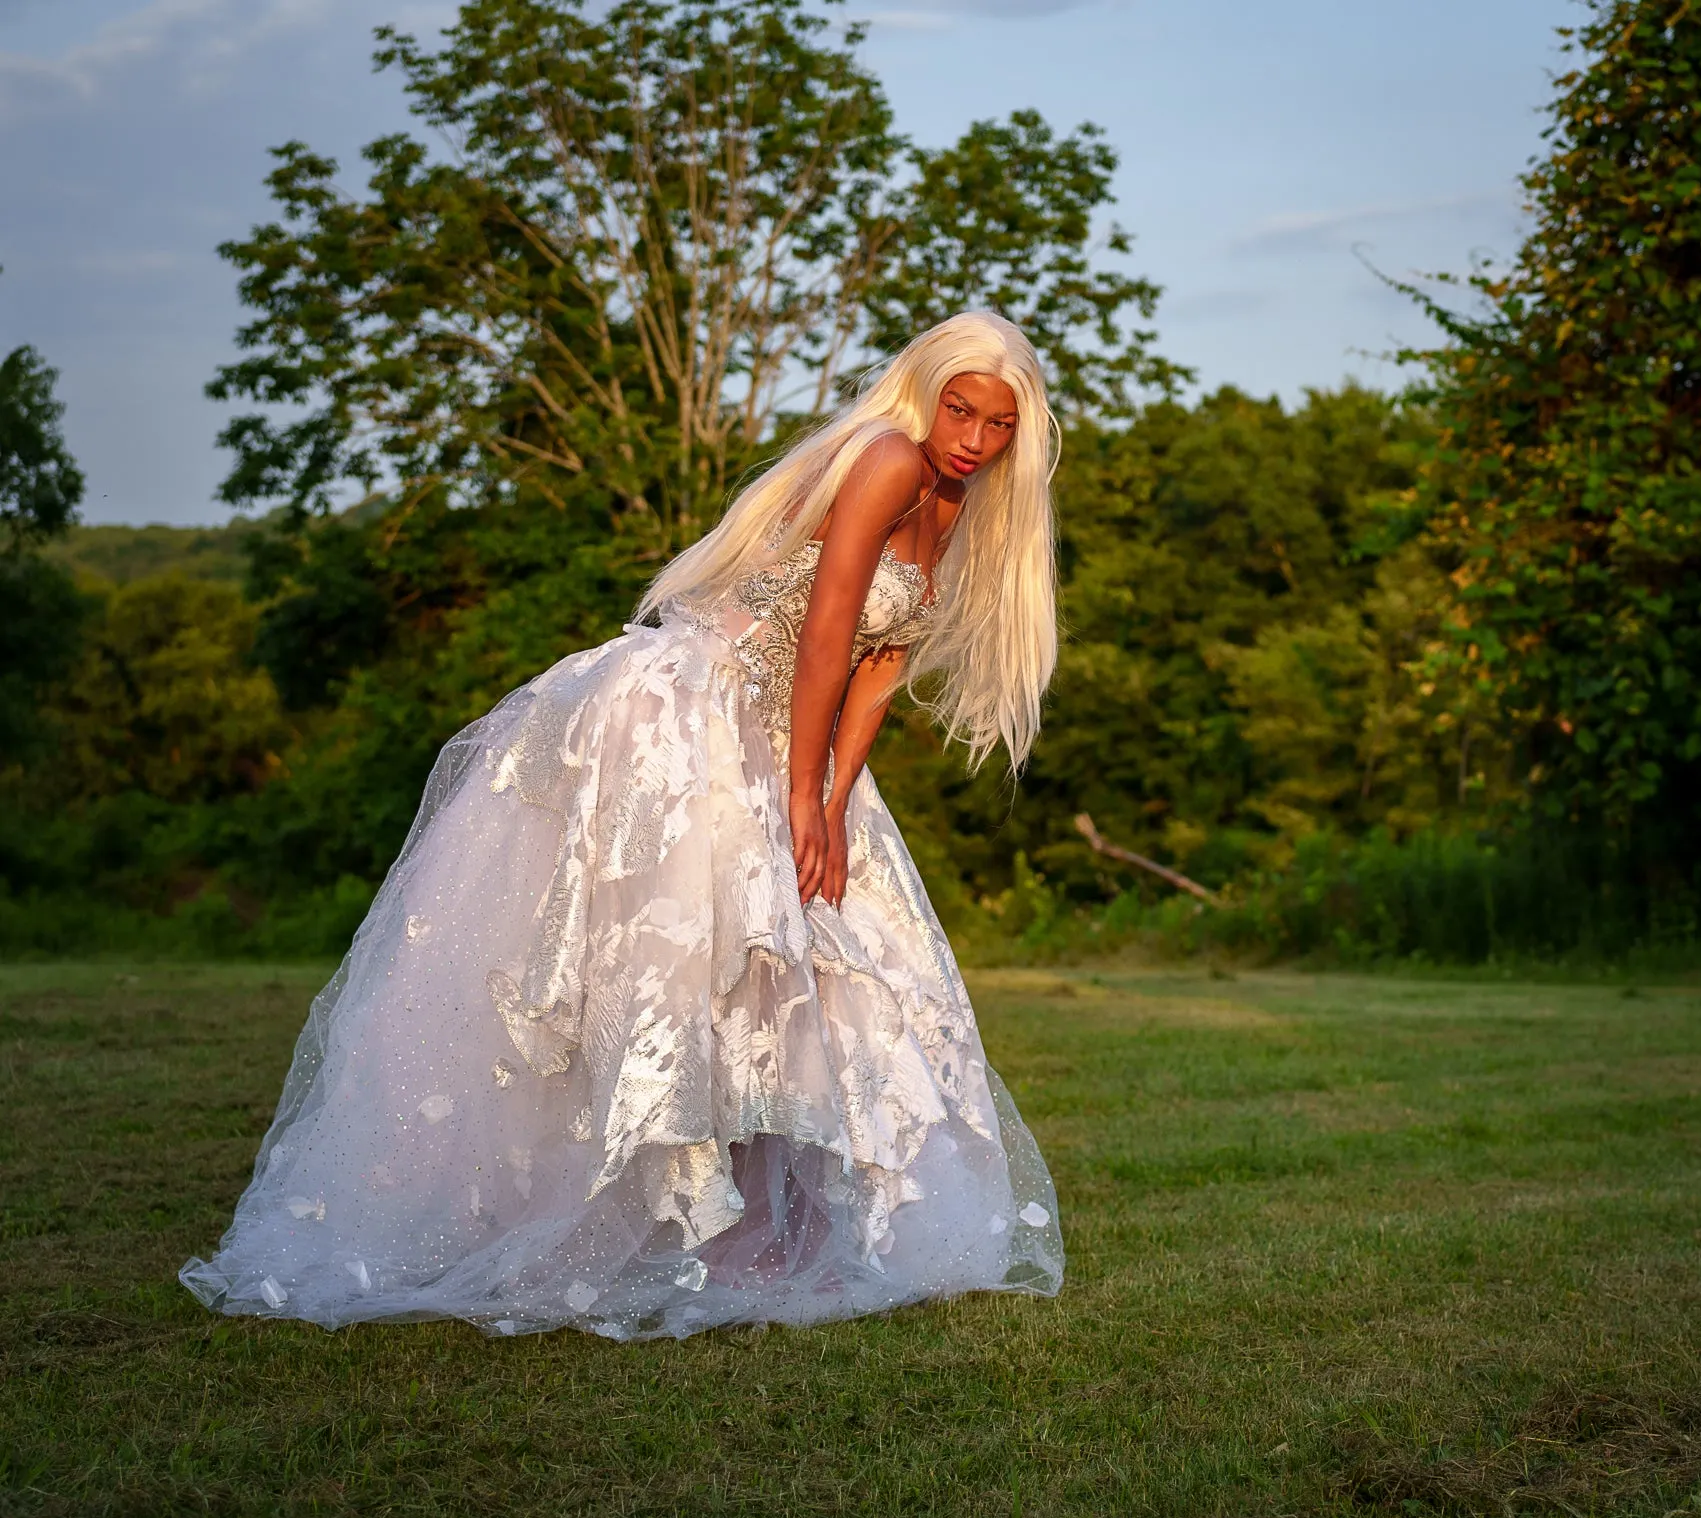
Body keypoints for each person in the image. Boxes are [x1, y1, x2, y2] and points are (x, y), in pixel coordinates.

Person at [181, 312, 1065, 1339]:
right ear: (924, 393)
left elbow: (877, 666)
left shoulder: (955, 508)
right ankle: (683, 1225)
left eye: (996, 425)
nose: (970, 437)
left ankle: (762, 1227)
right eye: (959, 408)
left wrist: (826, 802)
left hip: (792, 740)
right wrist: (790, 799)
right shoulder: (882, 456)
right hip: (690, 713)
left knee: (813, 968)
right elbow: (826, 625)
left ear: (1019, 436)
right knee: (699, 969)